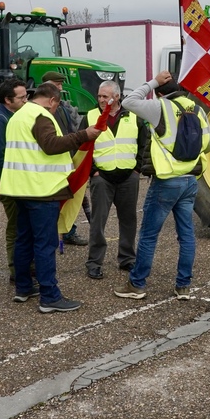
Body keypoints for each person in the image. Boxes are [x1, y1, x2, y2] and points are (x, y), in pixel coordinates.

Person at [0, 81, 101, 313]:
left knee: (23, 239)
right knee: (45, 244)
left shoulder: (17, 116)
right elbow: (51, 145)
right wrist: (83, 135)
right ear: (53, 100)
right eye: (56, 105)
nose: (56, 110)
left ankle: (24, 288)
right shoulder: (40, 116)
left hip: (19, 188)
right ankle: (50, 296)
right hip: (41, 190)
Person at [114, 69, 210, 301]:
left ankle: (137, 284)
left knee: (149, 235)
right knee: (186, 235)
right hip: (190, 180)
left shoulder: (160, 107)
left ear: (160, 93)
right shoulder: (197, 109)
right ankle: (183, 286)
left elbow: (129, 101)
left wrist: (152, 82)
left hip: (167, 180)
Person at [80, 80, 147, 280]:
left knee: (128, 220)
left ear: (117, 97)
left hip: (128, 178)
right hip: (102, 178)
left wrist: (136, 169)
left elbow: (144, 143)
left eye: (105, 96)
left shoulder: (134, 116)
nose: (101, 100)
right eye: (99, 96)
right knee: (98, 221)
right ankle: (94, 262)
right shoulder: (90, 117)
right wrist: (93, 172)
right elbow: (81, 145)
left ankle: (127, 258)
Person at [0, 78, 29, 283]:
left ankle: (26, 265)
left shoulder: (15, 115)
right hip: (10, 185)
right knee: (16, 226)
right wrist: (8, 184)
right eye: (21, 97)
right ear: (7, 100)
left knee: (24, 224)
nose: (25, 101)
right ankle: (16, 270)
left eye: (26, 96)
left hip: (20, 182)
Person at [40, 70, 90, 246]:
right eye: (56, 85)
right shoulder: (42, 112)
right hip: (52, 163)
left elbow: (70, 131)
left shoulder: (63, 108)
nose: (60, 88)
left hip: (66, 160)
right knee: (58, 200)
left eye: (61, 85)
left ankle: (69, 231)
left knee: (74, 197)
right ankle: (58, 232)